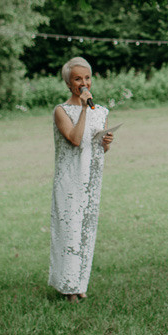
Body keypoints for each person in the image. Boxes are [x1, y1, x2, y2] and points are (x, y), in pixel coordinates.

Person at [49, 57, 114, 301]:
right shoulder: (61, 111)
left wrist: (106, 143)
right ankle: (66, 287)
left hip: (91, 180)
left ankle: (80, 284)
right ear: (68, 83)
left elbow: (95, 147)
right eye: (78, 79)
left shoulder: (102, 112)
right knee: (69, 231)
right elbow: (75, 139)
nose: (84, 83)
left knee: (86, 230)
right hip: (69, 181)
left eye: (87, 78)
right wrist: (85, 108)